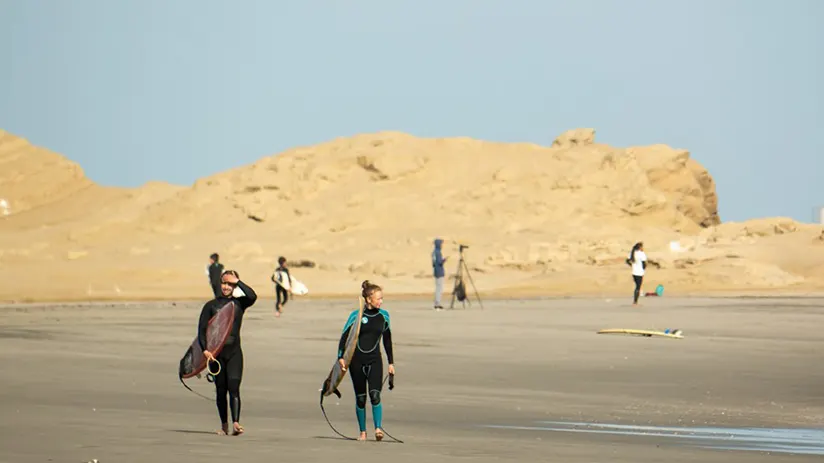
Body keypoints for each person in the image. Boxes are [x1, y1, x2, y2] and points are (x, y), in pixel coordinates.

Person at [198, 269, 258, 436]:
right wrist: (205, 350)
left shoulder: (239, 304)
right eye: (224, 283)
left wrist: (238, 281)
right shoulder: (210, 306)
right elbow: (202, 330)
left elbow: (252, 296)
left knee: (234, 387)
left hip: (234, 353)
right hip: (216, 355)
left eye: (230, 284)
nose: (226, 287)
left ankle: (236, 423)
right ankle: (224, 425)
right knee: (220, 390)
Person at [337, 280, 395, 441]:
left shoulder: (384, 316)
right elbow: (344, 337)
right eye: (378, 298)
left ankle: (378, 428)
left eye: (382, 298)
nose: (381, 301)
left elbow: (388, 340)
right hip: (356, 362)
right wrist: (340, 357)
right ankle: (362, 432)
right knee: (361, 398)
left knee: (375, 395)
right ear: (368, 299)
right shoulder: (356, 316)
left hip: (375, 360)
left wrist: (391, 363)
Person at [431, 239, 448, 309]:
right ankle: (437, 303)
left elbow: (434, 263)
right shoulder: (438, 252)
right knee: (439, 288)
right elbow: (439, 262)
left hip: (436, 271)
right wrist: (444, 260)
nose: (442, 245)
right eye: (441, 244)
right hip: (439, 271)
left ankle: (437, 302)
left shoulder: (434, 252)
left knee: (438, 288)